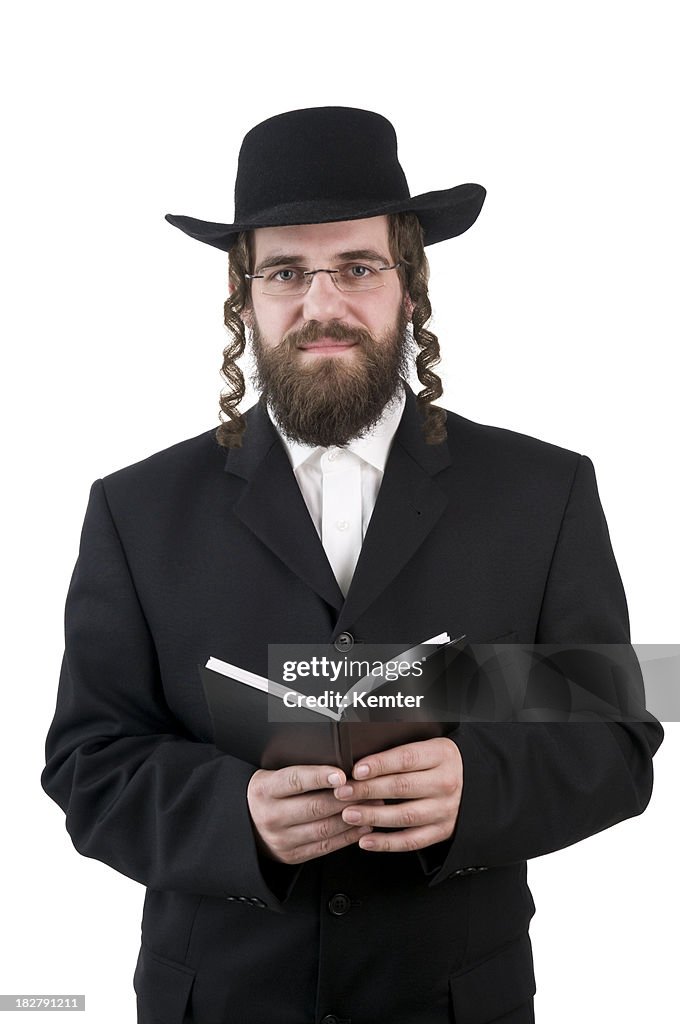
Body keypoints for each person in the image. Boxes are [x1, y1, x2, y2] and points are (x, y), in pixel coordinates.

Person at [41, 106, 663, 1024]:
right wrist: (235, 816)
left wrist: (476, 788)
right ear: (243, 295)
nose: (321, 305)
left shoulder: (547, 491)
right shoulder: (132, 510)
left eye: (357, 268)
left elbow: (614, 734)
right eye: (287, 271)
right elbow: (88, 762)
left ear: (408, 286)